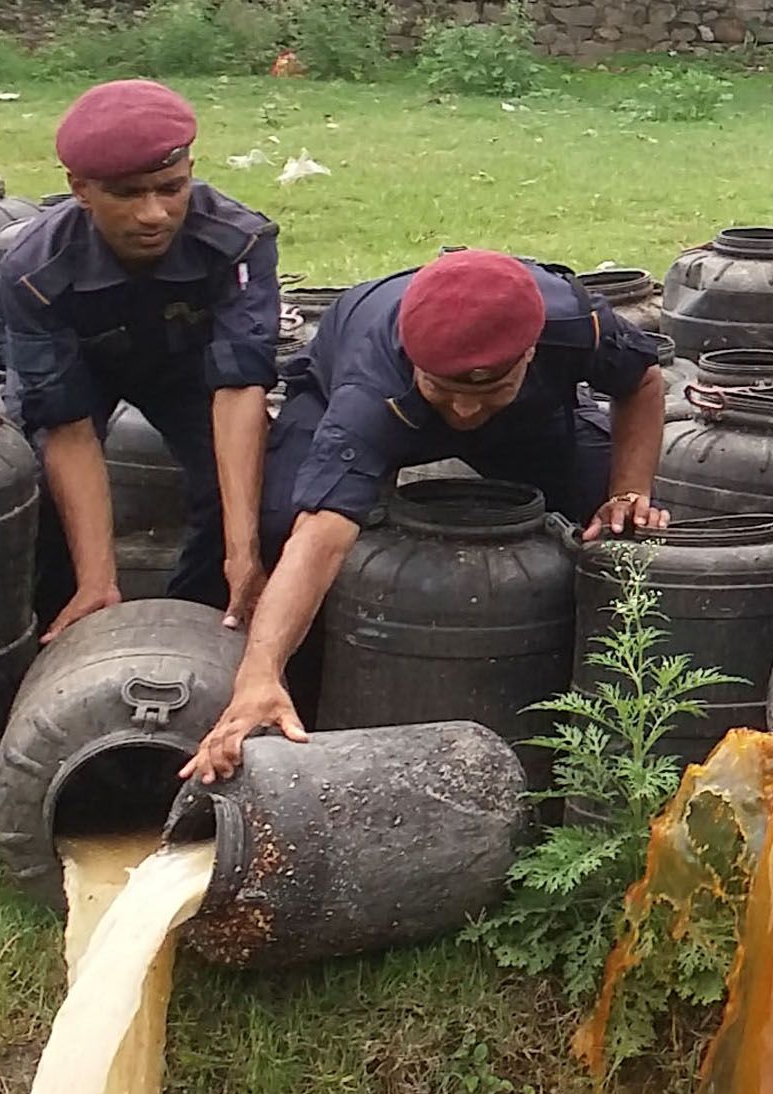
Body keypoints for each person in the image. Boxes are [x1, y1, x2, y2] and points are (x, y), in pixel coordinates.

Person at [184, 251, 672, 781]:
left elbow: (642, 381)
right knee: (283, 524)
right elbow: (321, 533)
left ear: (531, 351)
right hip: (368, 399)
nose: (463, 411)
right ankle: (287, 696)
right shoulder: (369, 384)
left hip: (523, 422)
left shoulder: (575, 323)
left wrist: (628, 490)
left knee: (614, 524)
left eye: (486, 390)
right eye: (444, 390)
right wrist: (259, 673)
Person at [0, 80, 279, 627]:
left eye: (171, 188)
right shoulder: (33, 271)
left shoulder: (238, 242)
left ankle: (197, 618)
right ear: (80, 189)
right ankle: (69, 624)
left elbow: (239, 384)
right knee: (36, 496)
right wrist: (97, 580)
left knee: (251, 493)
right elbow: (66, 424)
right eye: (127, 195)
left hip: (188, 367)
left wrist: (242, 554)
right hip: (82, 368)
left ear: (191, 171)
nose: (154, 214)